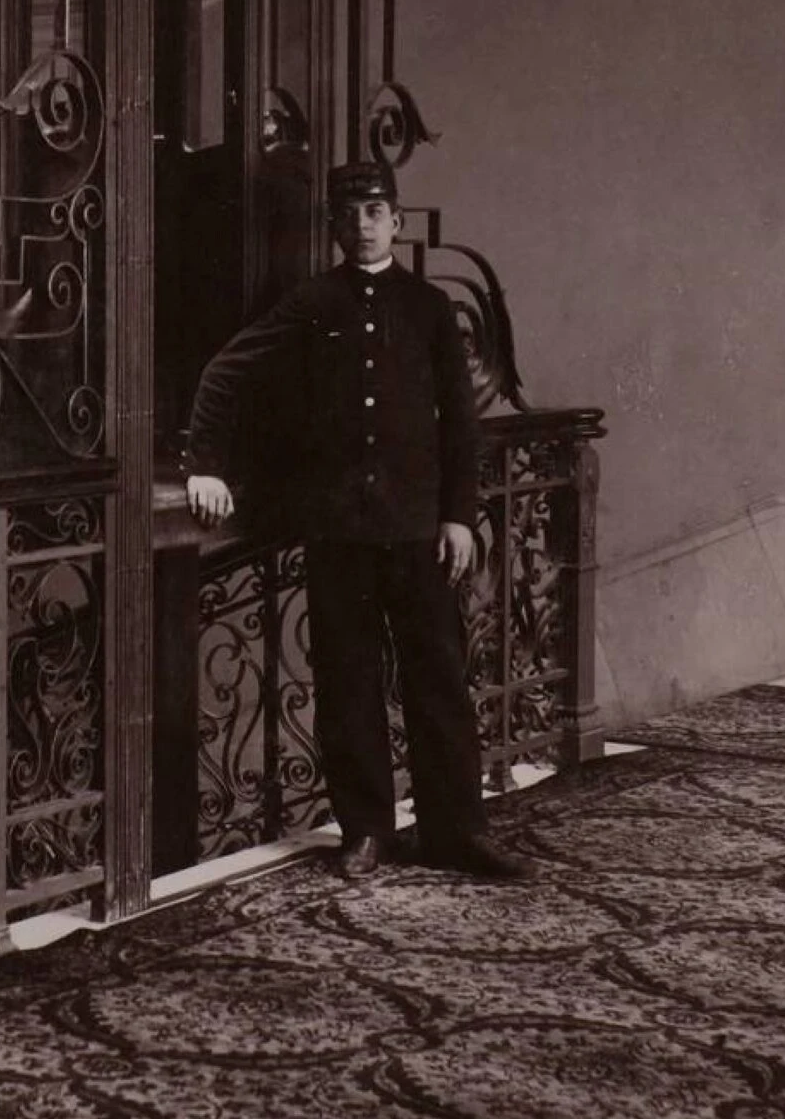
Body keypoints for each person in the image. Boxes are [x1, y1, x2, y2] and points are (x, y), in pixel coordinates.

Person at [184, 162, 528, 882]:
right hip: (339, 532)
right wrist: (205, 465)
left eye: (375, 210)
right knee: (348, 685)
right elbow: (224, 374)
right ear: (336, 227)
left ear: (396, 221)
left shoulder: (430, 308)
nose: (363, 224)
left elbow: (461, 429)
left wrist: (458, 518)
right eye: (350, 214)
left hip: (416, 532)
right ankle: (365, 831)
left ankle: (456, 830)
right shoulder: (313, 301)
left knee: (438, 680)